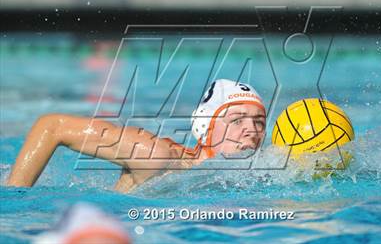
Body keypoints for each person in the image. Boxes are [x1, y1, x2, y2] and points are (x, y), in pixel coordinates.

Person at [6, 79, 266, 193]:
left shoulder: (256, 177)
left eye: (259, 122)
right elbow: (52, 126)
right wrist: (16, 199)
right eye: (236, 120)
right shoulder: (155, 156)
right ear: (205, 126)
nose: (251, 130)